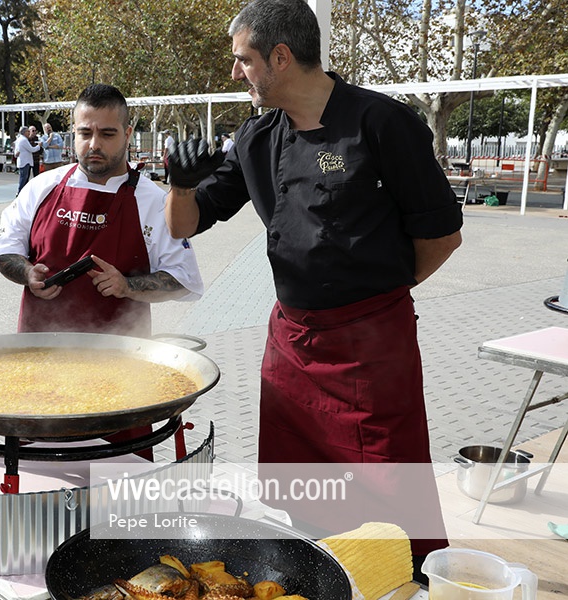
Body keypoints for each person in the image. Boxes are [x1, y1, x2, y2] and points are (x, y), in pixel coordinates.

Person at [164, 0, 462, 576]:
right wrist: (180, 186)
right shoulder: (257, 136)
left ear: (280, 57)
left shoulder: (382, 123)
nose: (235, 72)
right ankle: (319, 570)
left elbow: (442, 236)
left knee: (388, 482)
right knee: (302, 483)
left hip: (371, 347)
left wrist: (378, 300)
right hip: (293, 343)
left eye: (243, 60)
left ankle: (401, 577)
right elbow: (184, 226)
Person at [0, 84, 204, 459]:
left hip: (122, 370)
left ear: (127, 133)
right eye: (85, 133)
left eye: (107, 134)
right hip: (41, 364)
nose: (94, 144)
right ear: (72, 133)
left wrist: (127, 286)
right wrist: (26, 273)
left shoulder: (155, 201)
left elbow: (183, 280)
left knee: (121, 479)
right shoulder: (42, 188)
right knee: (40, 476)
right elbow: (5, 249)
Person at [14, 125, 41, 194]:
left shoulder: (19, 139)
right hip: (25, 162)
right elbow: (32, 149)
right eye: (28, 131)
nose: (29, 133)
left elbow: (16, 150)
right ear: (24, 132)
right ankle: (20, 192)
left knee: (24, 177)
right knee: (24, 178)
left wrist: (16, 154)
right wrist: (39, 146)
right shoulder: (24, 140)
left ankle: (22, 192)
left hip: (24, 161)